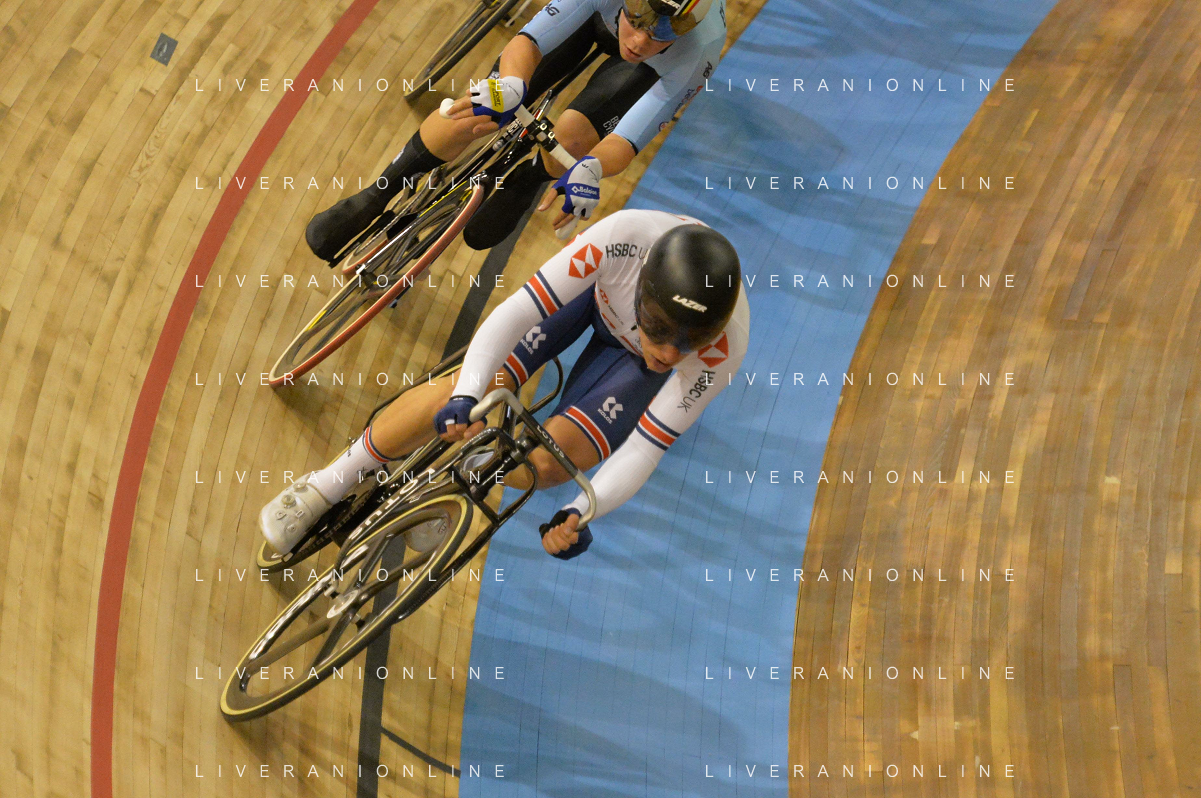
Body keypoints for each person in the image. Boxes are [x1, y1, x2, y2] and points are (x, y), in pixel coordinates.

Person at [262, 208, 749, 559]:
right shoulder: (620, 240)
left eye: (689, 344)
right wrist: (466, 394)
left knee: (551, 463)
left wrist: (581, 511)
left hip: (626, 360)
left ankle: (463, 477)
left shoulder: (726, 347)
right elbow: (517, 312)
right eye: (660, 330)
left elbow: (647, 446)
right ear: (642, 287)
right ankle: (327, 484)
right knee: (464, 390)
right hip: (592, 299)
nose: (669, 355)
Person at [305, 0, 727, 258]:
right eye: (636, 22)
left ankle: (530, 177)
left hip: (649, 72)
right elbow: (529, 40)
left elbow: (627, 140)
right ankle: (379, 191)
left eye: (658, 36)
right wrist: (509, 85)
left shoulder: (700, 49)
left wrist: (590, 169)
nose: (637, 42)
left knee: (573, 141)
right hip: (594, 13)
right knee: (479, 109)